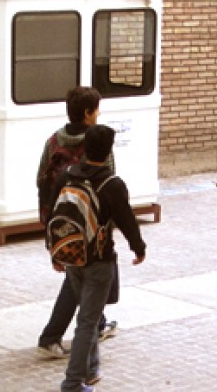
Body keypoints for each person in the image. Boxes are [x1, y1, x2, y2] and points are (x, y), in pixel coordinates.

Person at [55, 125, 146, 392]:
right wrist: (138, 247)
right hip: (99, 260)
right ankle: (73, 383)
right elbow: (126, 220)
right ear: (108, 151)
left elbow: (54, 215)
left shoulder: (66, 177)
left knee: (90, 314)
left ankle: (91, 369)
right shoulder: (111, 184)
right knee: (88, 320)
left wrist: (55, 252)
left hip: (72, 256)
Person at [35, 87, 117, 359]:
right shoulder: (97, 142)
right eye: (96, 110)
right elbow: (108, 186)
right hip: (91, 227)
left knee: (79, 274)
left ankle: (99, 322)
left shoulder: (53, 140)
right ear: (87, 113)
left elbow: (41, 180)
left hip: (59, 220)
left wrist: (48, 221)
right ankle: (51, 336)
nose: (99, 115)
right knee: (82, 276)